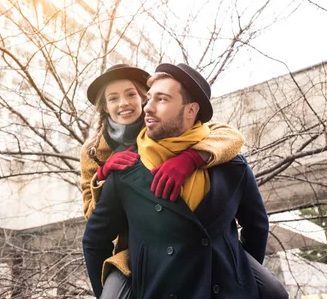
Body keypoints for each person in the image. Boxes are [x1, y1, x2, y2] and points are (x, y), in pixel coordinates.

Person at [82, 64, 288, 298]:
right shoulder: (98, 153)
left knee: (275, 292)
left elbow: (230, 136)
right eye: (113, 98)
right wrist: (102, 177)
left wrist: (193, 157)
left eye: (133, 95)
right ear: (105, 108)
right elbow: (94, 228)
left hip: (218, 267)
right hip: (138, 251)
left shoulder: (226, 160)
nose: (127, 104)